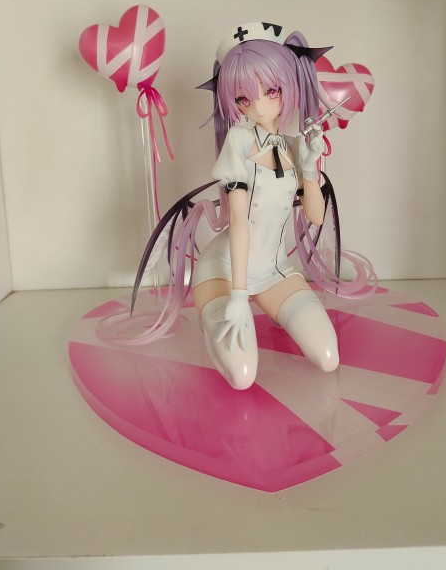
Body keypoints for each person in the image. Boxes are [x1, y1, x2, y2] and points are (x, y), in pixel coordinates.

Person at [108, 22, 375, 390]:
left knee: (328, 357)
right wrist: (238, 295)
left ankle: (267, 309)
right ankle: (212, 321)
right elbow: (238, 220)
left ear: (289, 86)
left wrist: (310, 167)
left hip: (275, 270)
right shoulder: (238, 140)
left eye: (271, 91)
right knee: (242, 374)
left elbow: (314, 216)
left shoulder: (294, 146)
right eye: (244, 98)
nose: (259, 105)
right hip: (224, 271)